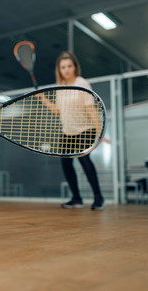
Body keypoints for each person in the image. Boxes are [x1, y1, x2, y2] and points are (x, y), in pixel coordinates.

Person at [38, 51, 104, 210]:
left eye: (69, 66)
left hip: (84, 130)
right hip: (67, 132)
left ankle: (98, 197)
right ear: (59, 70)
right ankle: (76, 198)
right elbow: (58, 111)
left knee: (85, 162)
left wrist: (99, 131)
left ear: (75, 67)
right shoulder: (59, 87)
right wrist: (43, 99)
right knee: (66, 164)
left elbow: (91, 108)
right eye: (63, 67)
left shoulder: (82, 83)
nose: (66, 69)